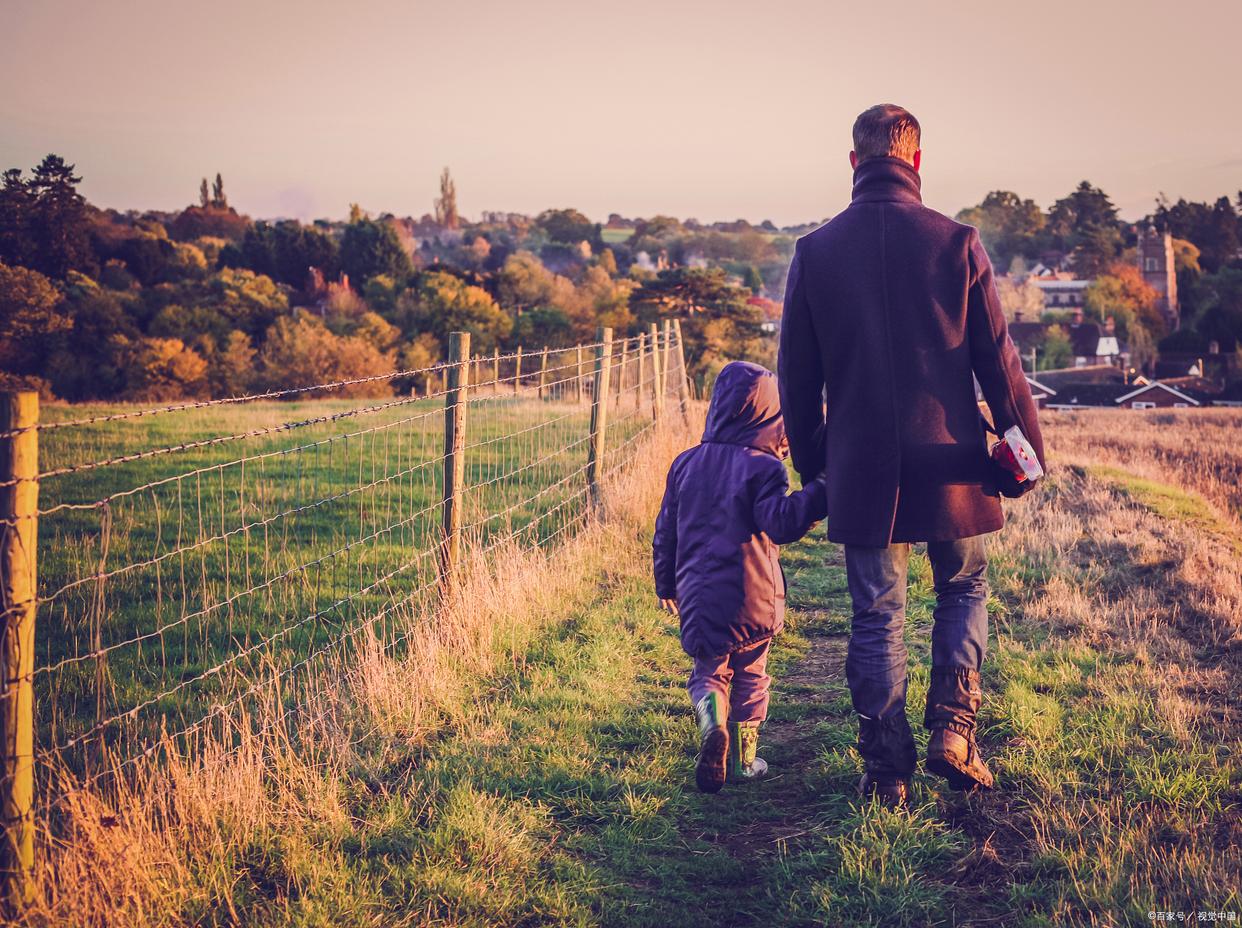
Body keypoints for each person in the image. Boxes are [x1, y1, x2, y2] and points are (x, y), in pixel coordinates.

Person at [777, 104, 1045, 808]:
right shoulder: (956, 242)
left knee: (876, 614)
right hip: (953, 462)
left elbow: (796, 382)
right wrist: (1026, 453)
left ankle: (887, 771)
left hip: (861, 466)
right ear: (917, 162)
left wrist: (817, 469)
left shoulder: (815, 252)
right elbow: (1001, 364)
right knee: (962, 589)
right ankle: (954, 733)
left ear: (854, 163)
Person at [653, 360, 826, 793]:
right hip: (754, 595)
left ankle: (714, 727)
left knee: (709, 671)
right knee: (751, 673)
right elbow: (781, 523)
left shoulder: (685, 464)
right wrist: (821, 491)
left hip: (698, 593)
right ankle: (747, 761)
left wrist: (665, 583)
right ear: (771, 417)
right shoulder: (764, 468)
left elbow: (666, 530)